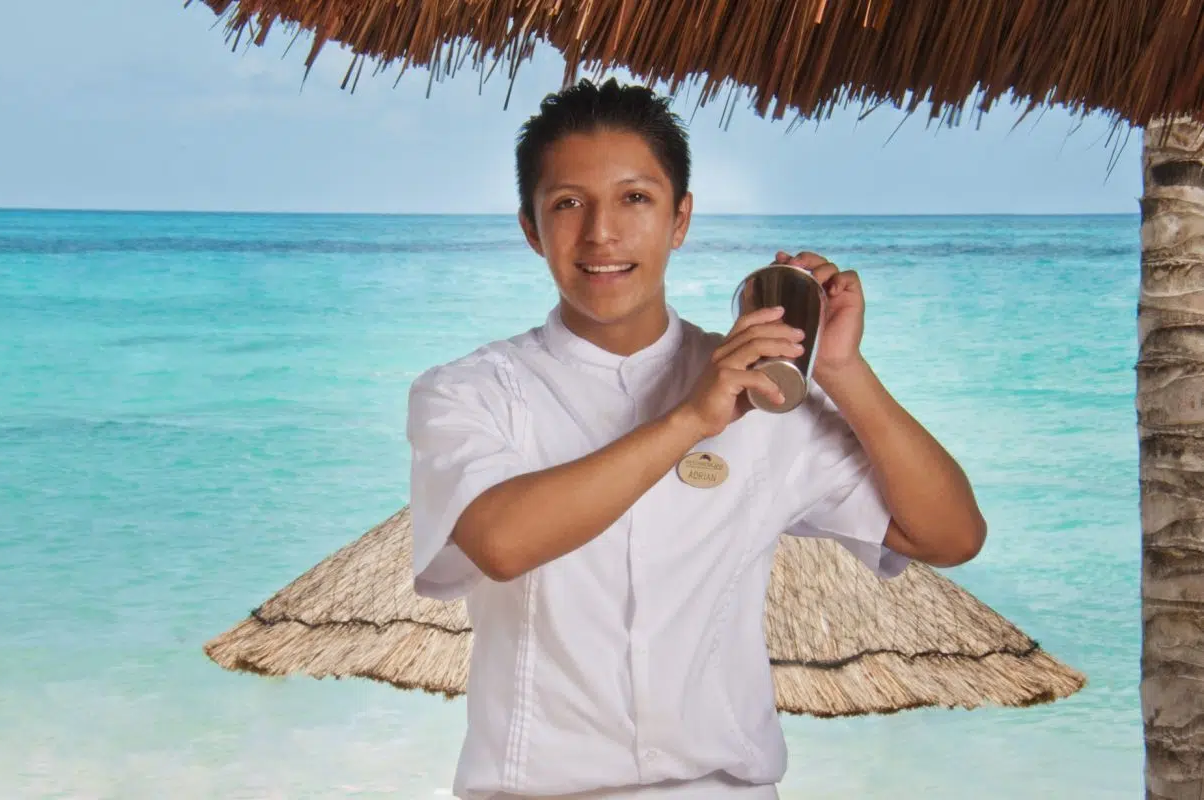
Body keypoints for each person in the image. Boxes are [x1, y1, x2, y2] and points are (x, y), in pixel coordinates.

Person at [406, 78, 986, 800]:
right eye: (567, 204)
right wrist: (690, 420)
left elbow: (951, 534)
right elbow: (502, 541)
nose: (601, 234)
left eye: (635, 199)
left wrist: (842, 370)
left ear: (680, 220)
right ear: (531, 228)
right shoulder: (468, 391)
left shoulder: (763, 391)